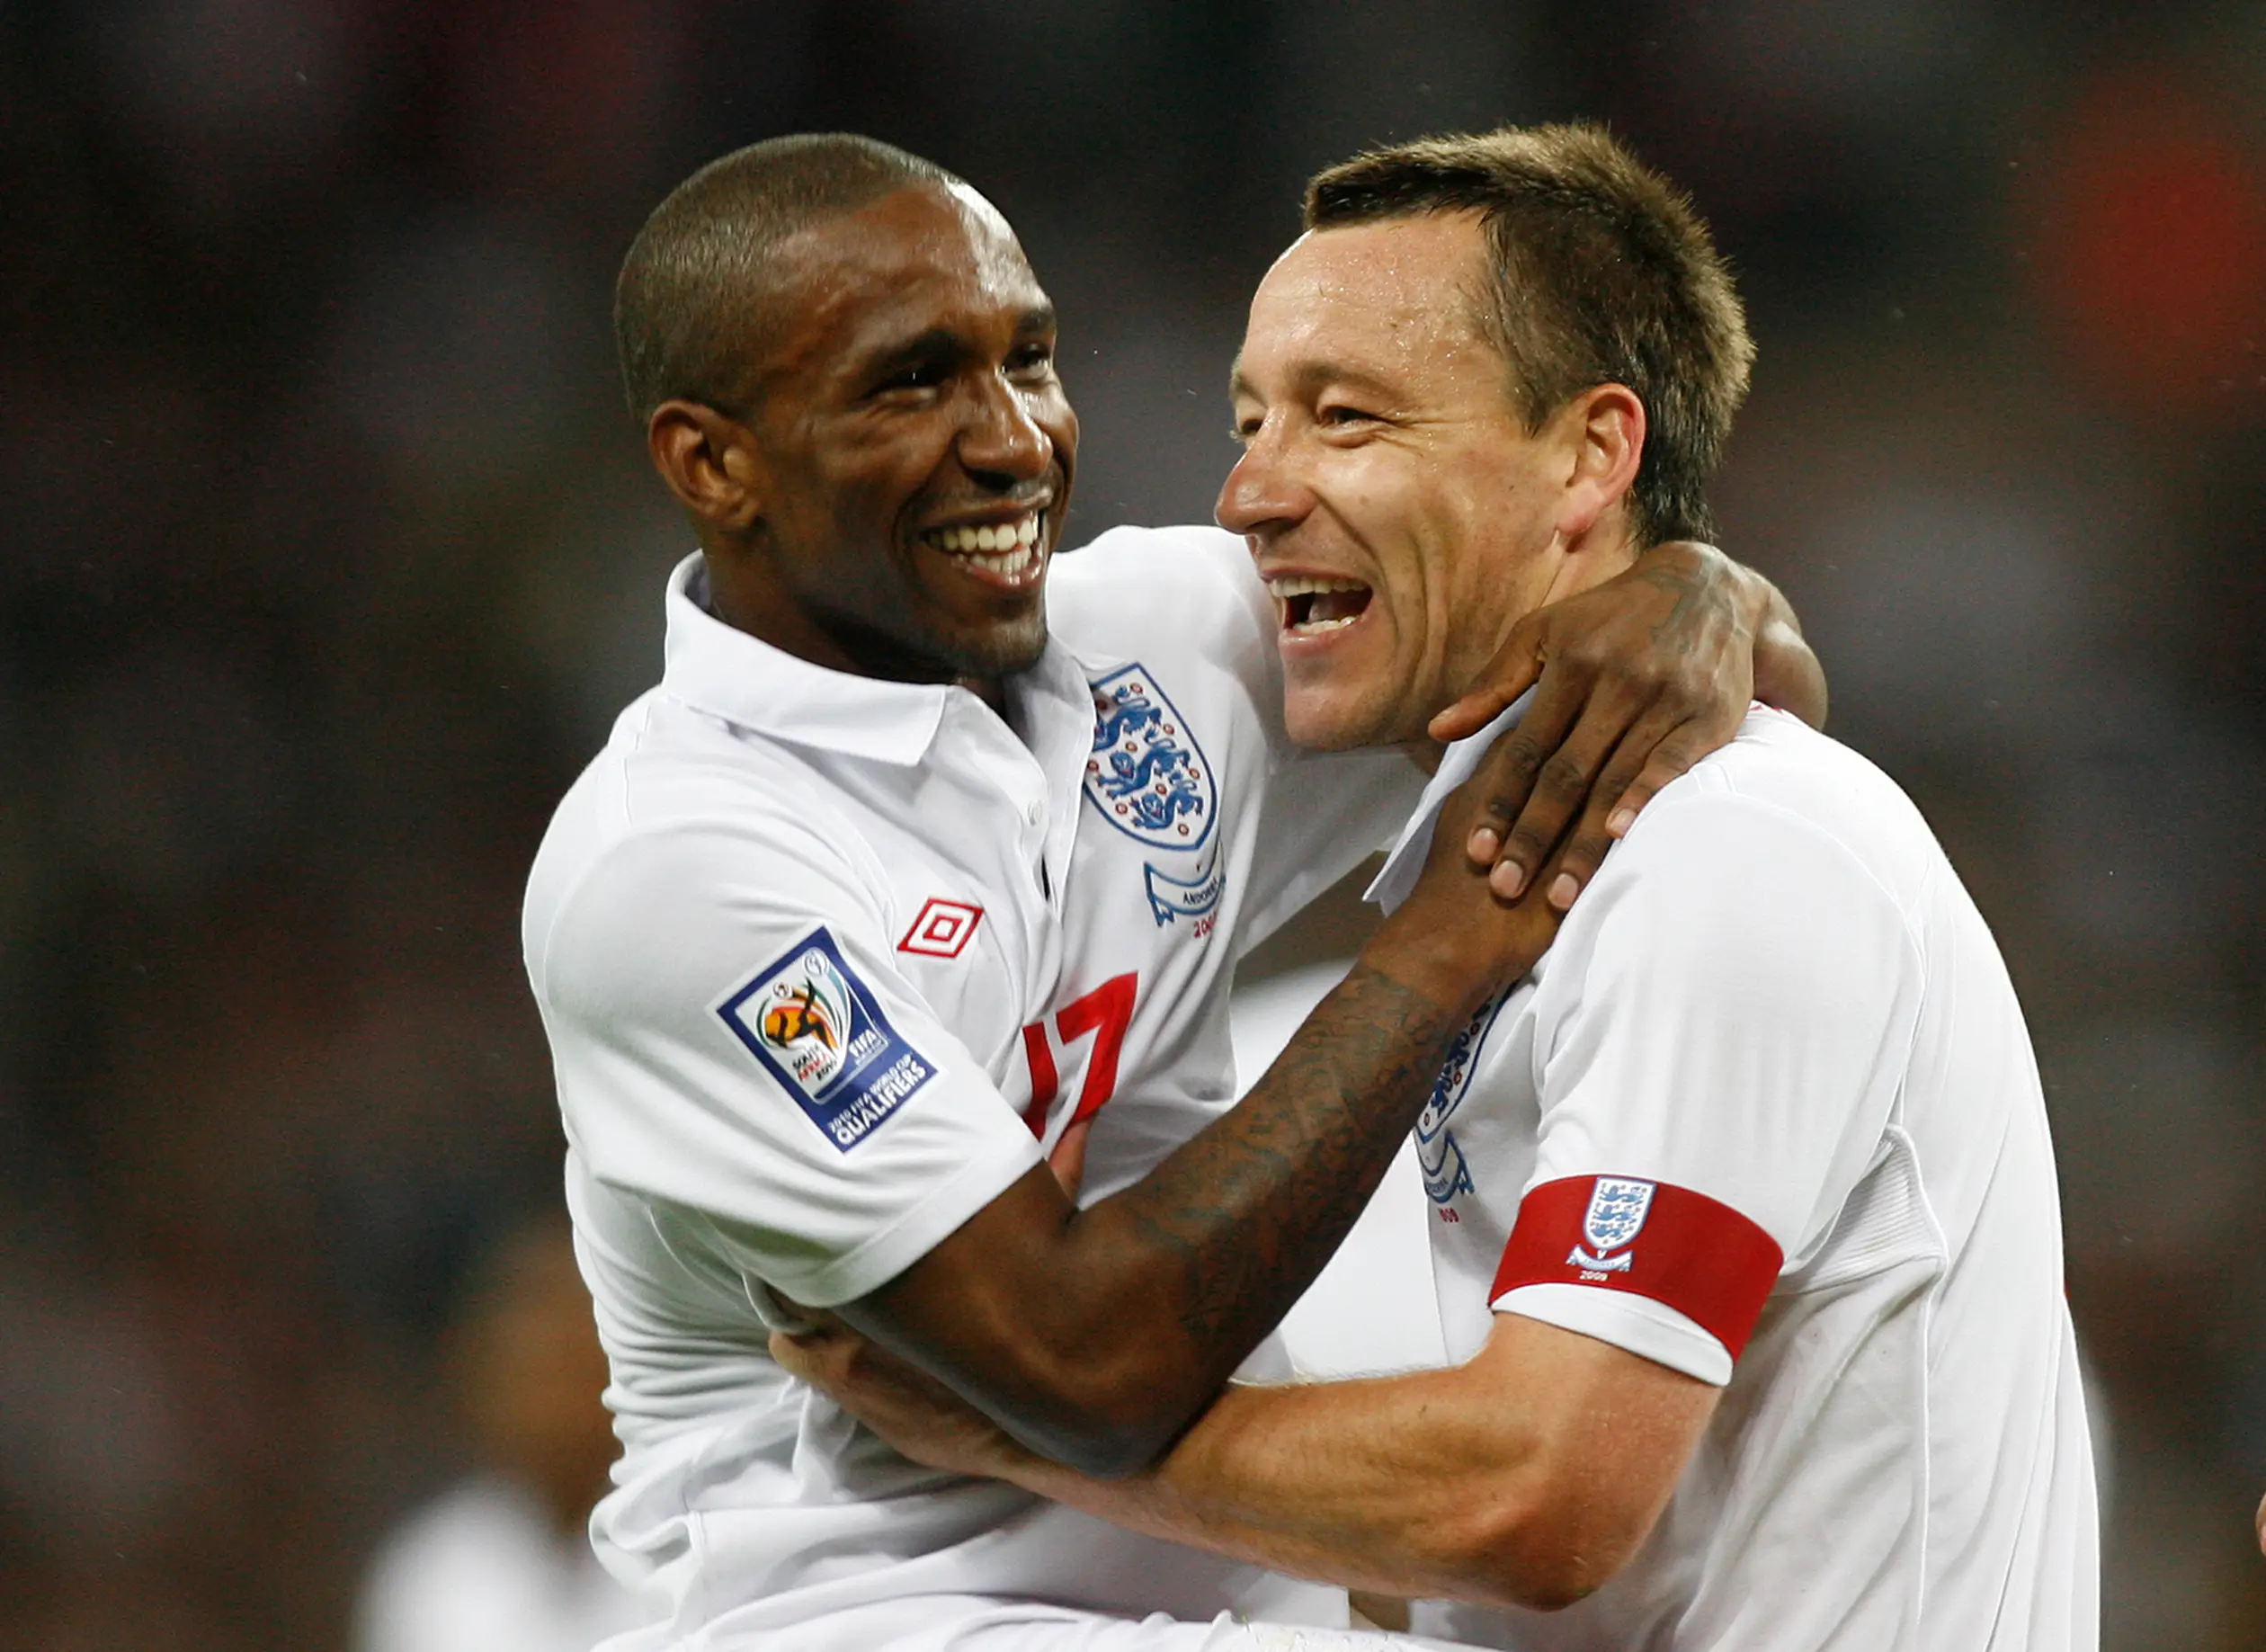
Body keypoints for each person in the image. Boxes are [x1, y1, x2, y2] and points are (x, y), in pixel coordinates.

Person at [778, 127, 2100, 1649]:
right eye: (1251, 418)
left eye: (1345, 418)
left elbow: (1540, 1493)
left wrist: (1024, 1429)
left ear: (1591, 455)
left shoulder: (1734, 845)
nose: (1249, 494)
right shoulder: (1561, 835)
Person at [523, 133, 1822, 1651]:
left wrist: (1698, 591)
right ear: (713, 461)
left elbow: (1693, 672)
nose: (1013, 440)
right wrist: (1452, 939)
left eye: (1030, 359)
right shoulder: (682, 870)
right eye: (911, 384)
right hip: (884, 1617)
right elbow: (1082, 1360)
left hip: (1243, 1609)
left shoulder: (1158, 641)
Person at [355, 1214, 656, 1652]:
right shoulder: (430, 1574)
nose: (550, 1403)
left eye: (569, 1366)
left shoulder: (691, 1547)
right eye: (529, 1372)